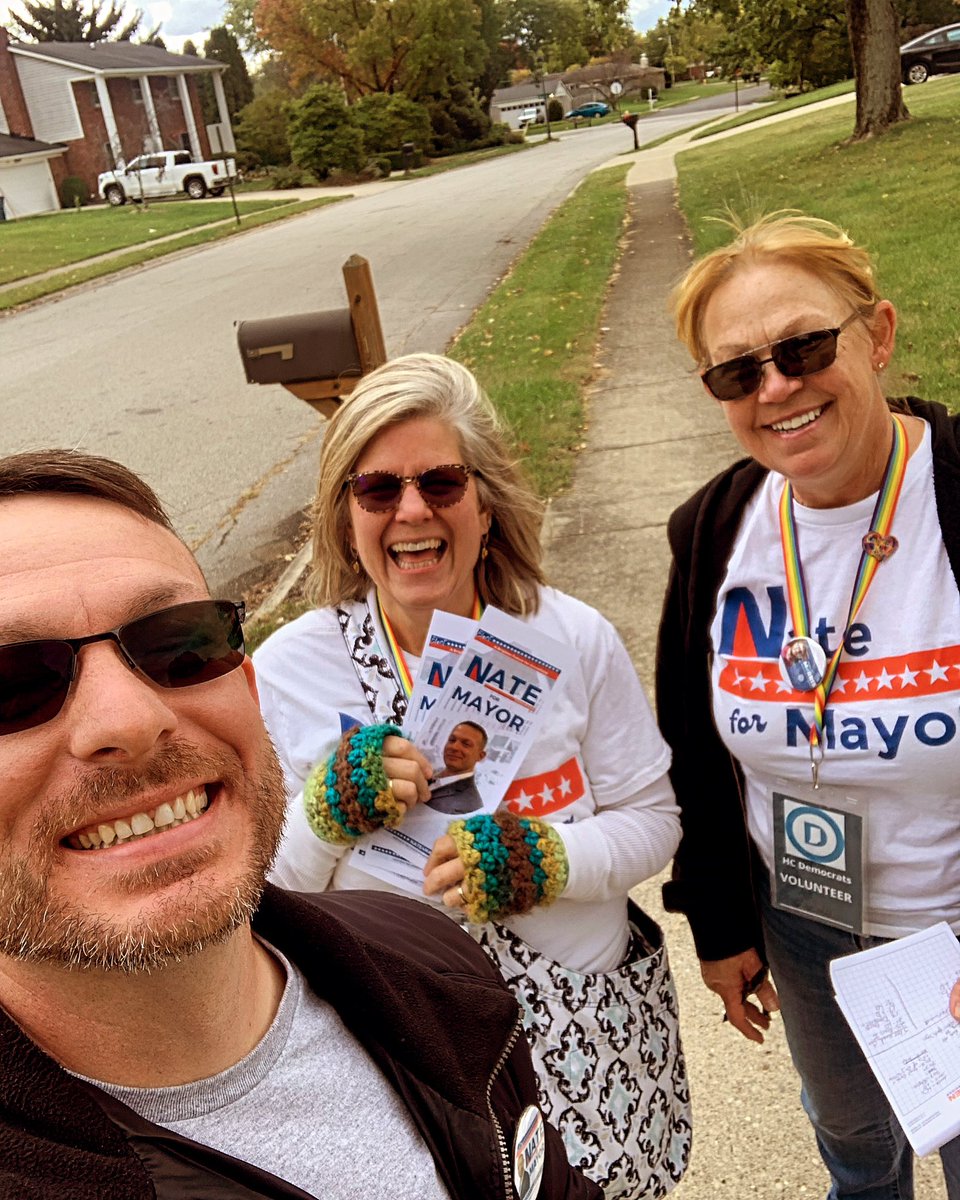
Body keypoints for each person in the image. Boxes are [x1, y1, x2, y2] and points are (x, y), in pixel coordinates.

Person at [0, 448, 601, 1200]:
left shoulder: (432, 968)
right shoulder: (306, 657)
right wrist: (326, 821)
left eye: (178, 645)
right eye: (11, 683)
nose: (131, 718)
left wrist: (558, 859)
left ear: (246, 691)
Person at [253, 353, 691, 1198]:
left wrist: (551, 862)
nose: (411, 510)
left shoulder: (571, 636)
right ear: (347, 519)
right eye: (377, 489)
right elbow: (264, 894)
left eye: (442, 483)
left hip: (582, 1024)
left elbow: (652, 816)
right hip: (402, 1042)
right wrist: (324, 816)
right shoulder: (290, 671)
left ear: (485, 503)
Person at [657, 210, 960, 1198]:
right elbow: (695, 753)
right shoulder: (715, 528)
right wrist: (718, 919)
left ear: (877, 335)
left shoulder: (955, 491)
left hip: (950, 918)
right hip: (808, 915)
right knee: (853, 1142)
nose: (775, 387)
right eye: (737, 372)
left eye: (803, 347)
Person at [426, 721, 487, 815]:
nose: (454, 747)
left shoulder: (469, 806)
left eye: (466, 744)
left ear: (480, 756)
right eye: (452, 740)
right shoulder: (427, 773)